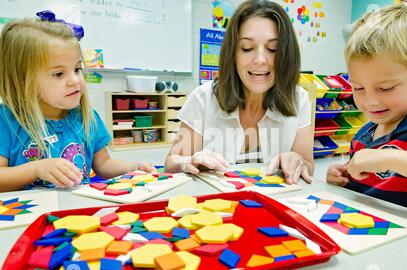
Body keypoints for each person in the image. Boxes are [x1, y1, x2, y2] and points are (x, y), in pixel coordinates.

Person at [0, 12, 155, 192]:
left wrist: (132, 167)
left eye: (77, 69)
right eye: (59, 74)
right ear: (22, 80)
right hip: (27, 216)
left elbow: (104, 164)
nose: (75, 80)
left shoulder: (86, 117)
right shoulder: (6, 121)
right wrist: (36, 169)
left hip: (76, 214)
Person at [165, 0, 314, 185]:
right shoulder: (203, 98)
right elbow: (171, 162)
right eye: (247, 48)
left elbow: (308, 165)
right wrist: (188, 161)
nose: (260, 60)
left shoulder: (298, 99)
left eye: (273, 49)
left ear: (286, 54)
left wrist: (296, 160)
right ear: (233, 53)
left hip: (274, 206)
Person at [326, 5, 407, 216]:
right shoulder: (363, 136)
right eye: (358, 88)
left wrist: (388, 158)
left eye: (386, 88)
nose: (371, 101)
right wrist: (343, 175)